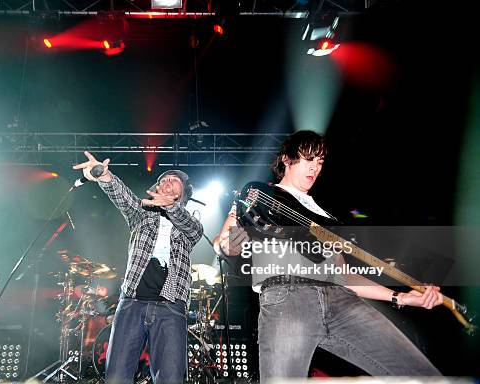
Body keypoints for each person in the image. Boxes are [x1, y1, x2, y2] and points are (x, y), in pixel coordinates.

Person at [213, 131, 443, 380]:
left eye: (320, 162)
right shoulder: (260, 197)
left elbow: (344, 276)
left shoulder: (326, 217)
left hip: (341, 301)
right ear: (286, 160)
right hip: (288, 298)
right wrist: (230, 245)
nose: (315, 168)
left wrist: (401, 297)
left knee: (421, 374)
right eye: (308, 159)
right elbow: (222, 243)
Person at [73, 151, 203, 384]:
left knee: (171, 378)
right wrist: (105, 176)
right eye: (162, 180)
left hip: (171, 307)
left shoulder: (190, 222)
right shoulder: (142, 215)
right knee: (117, 376)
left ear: (184, 191)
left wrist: (171, 207)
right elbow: (123, 196)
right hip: (132, 302)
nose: (166, 182)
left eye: (174, 180)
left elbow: (192, 229)